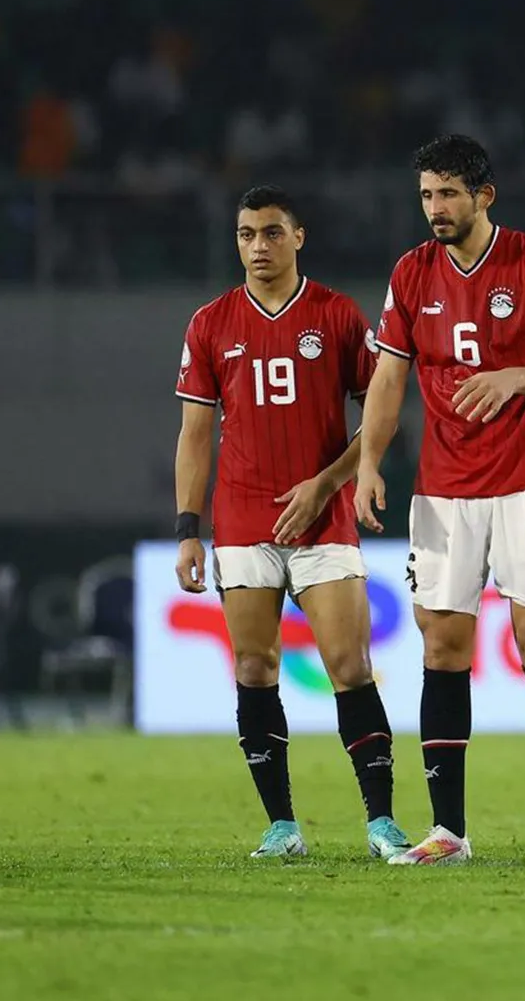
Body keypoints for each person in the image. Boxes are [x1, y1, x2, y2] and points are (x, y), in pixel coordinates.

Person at [354, 135, 525, 865]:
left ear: (484, 196)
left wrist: (514, 376)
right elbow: (389, 380)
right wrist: (368, 463)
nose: (436, 208)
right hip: (444, 490)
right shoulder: (410, 273)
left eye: (449, 194)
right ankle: (449, 831)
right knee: (442, 645)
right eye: (427, 195)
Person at [173, 185, 408, 860]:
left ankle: (381, 823)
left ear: (298, 237)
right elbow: (195, 435)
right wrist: (188, 528)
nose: (258, 247)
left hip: (324, 520)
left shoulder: (335, 315)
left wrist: (327, 484)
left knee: (350, 665)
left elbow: (381, 416)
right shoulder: (210, 323)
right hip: (243, 520)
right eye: (246, 234)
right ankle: (282, 826)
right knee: (254, 666)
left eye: (272, 233)